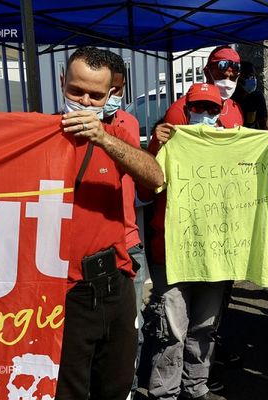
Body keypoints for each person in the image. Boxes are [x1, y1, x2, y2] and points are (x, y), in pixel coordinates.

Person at [56, 46, 163, 400]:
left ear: (110, 95)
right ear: (62, 83)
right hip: (65, 289)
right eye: (77, 91)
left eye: (95, 95)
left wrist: (103, 137)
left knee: (117, 384)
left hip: (115, 280)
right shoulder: (43, 137)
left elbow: (154, 175)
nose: (85, 102)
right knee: (69, 388)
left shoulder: (117, 132)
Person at [141, 82, 232, 400]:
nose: (204, 114)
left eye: (212, 109)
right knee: (171, 333)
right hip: (172, 254)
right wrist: (154, 147)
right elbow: (143, 190)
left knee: (204, 329)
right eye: (198, 108)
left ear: (220, 113)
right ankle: (164, 393)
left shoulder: (230, 146)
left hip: (216, 255)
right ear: (186, 110)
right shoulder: (167, 143)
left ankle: (196, 388)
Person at [102, 50, 151, 395]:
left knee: (132, 326)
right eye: (105, 90)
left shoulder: (128, 124)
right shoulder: (63, 125)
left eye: (117, 90)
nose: (108, 98)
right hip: (86, 245)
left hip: (128, 240)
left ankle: (128, 388)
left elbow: (146, 175)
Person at [234, 61, 268, 129]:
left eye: (254, 76)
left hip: (252, 136)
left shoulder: (257, 96)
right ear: (239, 78)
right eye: (249, 76)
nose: (253, 79)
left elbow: (263, 123)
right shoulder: (231, 98)